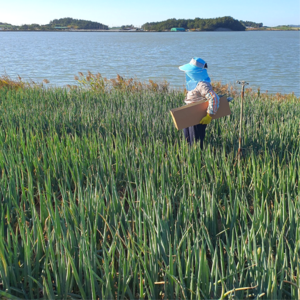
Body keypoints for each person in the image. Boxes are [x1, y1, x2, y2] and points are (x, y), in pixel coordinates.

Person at [179, 57, 220, 149]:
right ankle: (190, 159)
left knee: (196, 142)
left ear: (196, 72)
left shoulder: (203, 84)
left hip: (198, 118)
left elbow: (214, 97)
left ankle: (198, 160)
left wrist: (209, 115)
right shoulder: (195, 83)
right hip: (189, 115)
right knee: (188, 141)